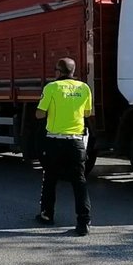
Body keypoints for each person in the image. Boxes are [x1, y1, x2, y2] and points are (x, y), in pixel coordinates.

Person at [34, 57, 93, 236]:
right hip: (76, 141)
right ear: (73, 71)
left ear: (58, 72)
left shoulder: (51, 88)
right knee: (79, 181)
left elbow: (39, 114)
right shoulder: (84, 88)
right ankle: (84, 222)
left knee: (50, 178)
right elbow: (88, 112)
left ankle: (47, 215)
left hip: (55, 141)